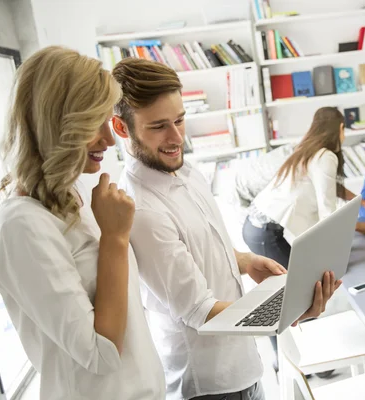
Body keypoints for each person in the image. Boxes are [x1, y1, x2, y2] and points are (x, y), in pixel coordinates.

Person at [111, 58, 340, 400]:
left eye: (180, 120)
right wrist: (289, 309)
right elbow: (200, 311)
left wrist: (244, 261)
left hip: (241, 365)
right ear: (121, 128)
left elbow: (197, 245)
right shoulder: (141, 208)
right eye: (158, 126)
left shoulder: (186, 171)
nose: (176, 138)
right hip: (209, 385)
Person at [0, 47, 165, 399]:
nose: (109, 138)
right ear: (57, 123)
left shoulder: (73, 194)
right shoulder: (21, 225)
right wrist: (115, 238)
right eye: (93, 123)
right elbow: (101, 353)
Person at [244, 107, 365, 269]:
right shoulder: (325, 156)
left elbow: (330, 186)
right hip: (265, 232)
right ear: (341, 128)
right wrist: (361, 227)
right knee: (302, 282)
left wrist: (363, 202)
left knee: (301, 281)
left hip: (255, 226)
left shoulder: (308, 151)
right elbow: (328, 214)